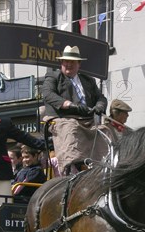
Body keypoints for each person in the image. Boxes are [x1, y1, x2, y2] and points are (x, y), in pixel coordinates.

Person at [41, 45, 109, 176]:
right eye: (66, 61)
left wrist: (100, 106)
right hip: (64, 117)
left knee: (106, 130)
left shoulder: (88, 80)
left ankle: (103, 166)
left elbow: (101, 97)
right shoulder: (53, 77)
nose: (68, 64)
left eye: (72, 62)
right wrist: (69, 104)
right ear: (61, 63)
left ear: (79, 64)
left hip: (87, 119)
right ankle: (73, 167)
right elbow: (48, 94)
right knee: (72, 128)